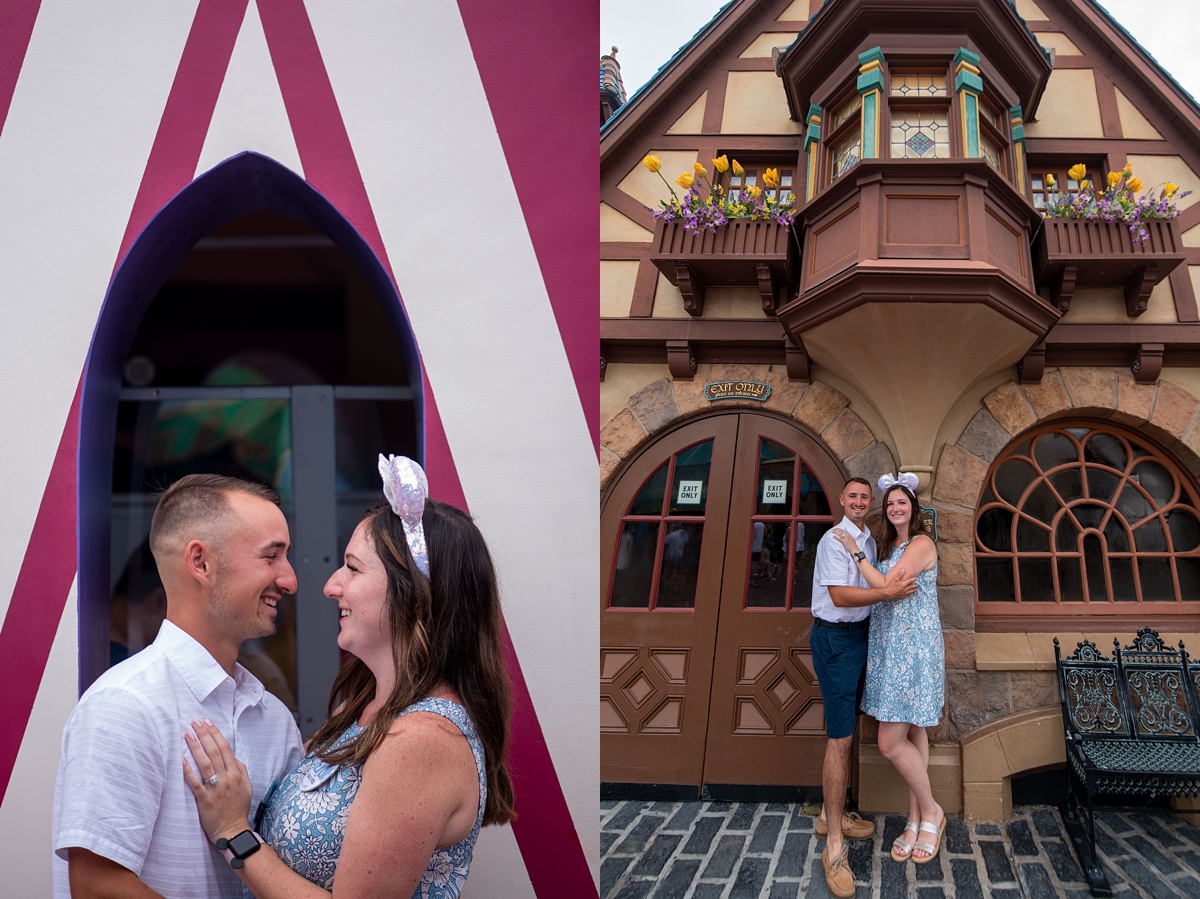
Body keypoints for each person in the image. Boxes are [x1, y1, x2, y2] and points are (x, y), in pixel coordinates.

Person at [182, 454, 515, 898]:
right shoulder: (365, 708)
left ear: (412, 598)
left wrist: (234, 832)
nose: (330, 585)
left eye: (353, 568)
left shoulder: (422, 739)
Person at [52, 475, 305, 898]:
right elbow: (97, 888)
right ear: (201, 562)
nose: (290, 579)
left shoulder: (273, 718)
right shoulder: (125, 705)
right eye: (271, 557)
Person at [810, 476, 916, 898]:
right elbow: (839, 596)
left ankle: (828, 813)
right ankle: (834, 846)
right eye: (851, 496)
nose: (857, 501)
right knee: (840, 739)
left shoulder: (869, 540)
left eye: (863, 497)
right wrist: (888, 593)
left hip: (860, 639)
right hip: (835, 639)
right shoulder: (835, 540)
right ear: (841, 500)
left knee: (850, 728)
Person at [833, 472, 945, 866]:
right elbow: (885, 588)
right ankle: (914, 820)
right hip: (889, 647)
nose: (896, 508)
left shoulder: (920, 543)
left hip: (912, 649)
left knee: (889, 743)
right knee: (914, 729)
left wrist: (855, 551)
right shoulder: (890, 544)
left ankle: (931, 810)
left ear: (913, 508)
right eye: (891, 503)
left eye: (902, 502)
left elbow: (886, 585)